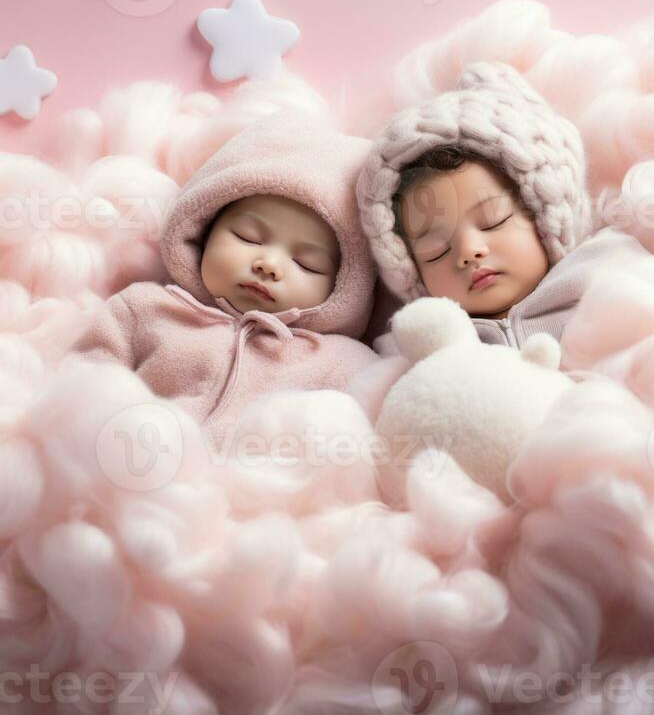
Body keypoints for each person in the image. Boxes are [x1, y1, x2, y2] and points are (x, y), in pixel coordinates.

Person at [70, 109, 381, 450]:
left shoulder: (340, 364)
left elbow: (364, 446)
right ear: (204, 231)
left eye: (307, 264)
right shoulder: (142, 311)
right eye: (248, 237)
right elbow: (79, 390)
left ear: (344, 287)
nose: (269, 264)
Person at [357, 61, 648, 357]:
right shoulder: (417, 346)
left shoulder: (609, 270)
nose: (469, 251)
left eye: (492, 221)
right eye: (436, 251)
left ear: (545, 212)